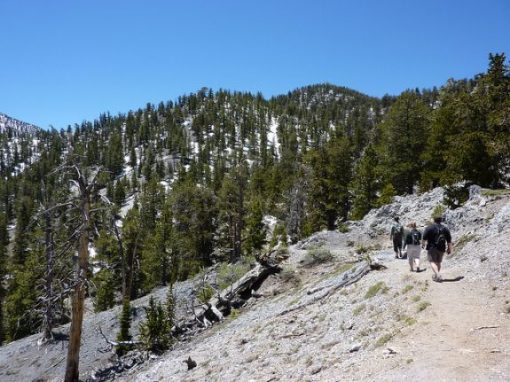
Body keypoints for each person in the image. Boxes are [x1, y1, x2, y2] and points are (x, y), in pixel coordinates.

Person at [422, 216, 453, 282]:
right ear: (441, 220)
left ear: (434, 220)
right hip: (442, 248)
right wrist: (449, 249)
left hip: (431, 247)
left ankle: (438, 274)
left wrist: (423, 244)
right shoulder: (445, 228)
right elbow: (449, 240)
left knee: (432, 261)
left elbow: (424, 238)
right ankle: (436, 276)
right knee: (438, 262)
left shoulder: (429, 228)